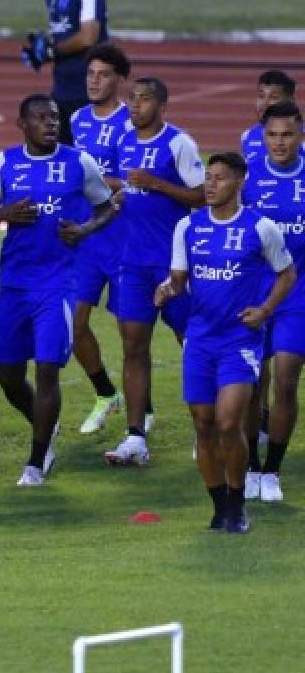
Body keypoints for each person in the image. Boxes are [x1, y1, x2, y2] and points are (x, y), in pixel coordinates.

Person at [0, 95, 115, 486]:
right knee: (9, 377)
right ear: (22, 124)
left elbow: (107, 206)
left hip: (59, 282)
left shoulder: (79, 162)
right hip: (14, 284)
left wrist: (84, 230)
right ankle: (44, 425)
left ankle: (36, 463)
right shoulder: (4, 163)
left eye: (53, 118)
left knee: (47, 368)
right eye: (40, 118)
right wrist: (3, 214)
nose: (50, 123)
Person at [155, 153, 295, 533]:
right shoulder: (188, 226)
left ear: (239, 182)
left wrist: (265, 310)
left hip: (240, 341)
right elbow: (179, 279)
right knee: (203, 425)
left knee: (229, 422)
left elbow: (287, 274)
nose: (210, 184)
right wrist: (167, 289)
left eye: (220, 178)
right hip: (199, 340)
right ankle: (220, 508)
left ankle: (237, 502)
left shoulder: (261, 228)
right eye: (208, 177)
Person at [104, 77, 205, 466]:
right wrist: (120, 193)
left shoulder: (179, 143)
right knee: (133, 347)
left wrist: (156, 184)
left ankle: (206, 429)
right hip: (132, 262)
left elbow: (202, 195)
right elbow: (126, 187)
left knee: (192, 343)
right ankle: (135, 437)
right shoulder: (124, 141)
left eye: (144, 99)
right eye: (132, 98)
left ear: (162, 106)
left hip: (173, 262)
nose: (135, 105)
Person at [240, 100, 305, 502]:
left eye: (287, 135)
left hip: (298, 293)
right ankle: (250, 466)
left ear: (301, 135)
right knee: (251, 383)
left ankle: (272, 471)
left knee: (286, 377)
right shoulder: (247, 176)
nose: (279, 143)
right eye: (272, 135)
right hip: (254, 292)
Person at [67, 42, 131, 434]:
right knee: (73, 324)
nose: (94, 81)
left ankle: (143, 411)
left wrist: (98, 181)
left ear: (119, 79)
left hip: (123, 239)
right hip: (86, 237)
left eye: (103, 74)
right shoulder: (77, 119)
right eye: (90, 74)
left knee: (132, 334)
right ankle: (106, 394)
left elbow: (134, 178)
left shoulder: (131, 121)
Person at [22, 0, 109, 145]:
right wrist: (42, 52)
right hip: (61, 86)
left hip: (88, 84)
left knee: (89, 152)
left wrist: (53, 50)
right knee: (58, 150)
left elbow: (89, 36)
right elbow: (61, 34)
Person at [241, 70, 297, 161]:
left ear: (291, 101)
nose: (264, 103)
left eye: (274, 97)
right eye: (261, 96)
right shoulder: (248, 136)